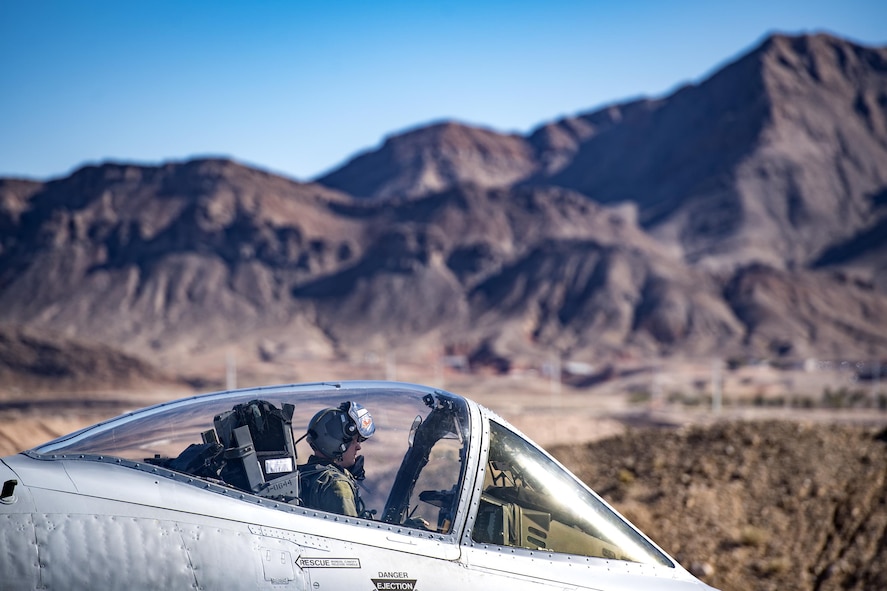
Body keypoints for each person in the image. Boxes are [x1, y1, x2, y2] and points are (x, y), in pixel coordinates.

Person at [299, 401, 375, 517]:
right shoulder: (337, 484)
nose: (358, 447)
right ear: (336, 442)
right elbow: (352, 531)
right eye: (355, 440)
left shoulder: (304, 474)